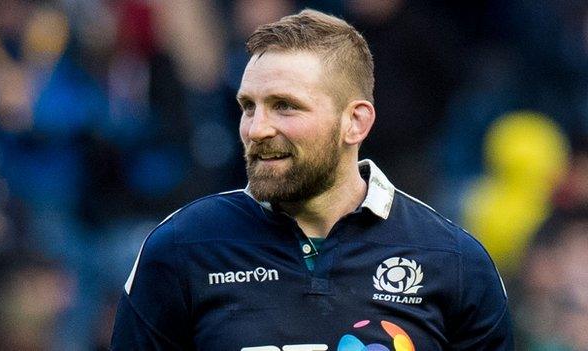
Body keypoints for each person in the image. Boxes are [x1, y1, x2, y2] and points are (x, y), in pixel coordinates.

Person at [110, 9, 513, 350]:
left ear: (355, 122)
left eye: (284, 106)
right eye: (248, 107)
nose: (257, 129)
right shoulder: (181, 247)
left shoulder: (453, 261)